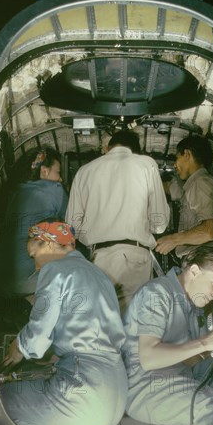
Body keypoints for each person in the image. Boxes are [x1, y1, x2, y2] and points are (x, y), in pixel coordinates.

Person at [1, 220, 128, 425]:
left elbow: (38, 336)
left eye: (34, 256)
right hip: (116, 396)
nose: (35, 266)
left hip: (84, 389)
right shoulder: (100, 276)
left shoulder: (55, 269)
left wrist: (18, 346)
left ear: (48, 245)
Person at [121, 246, 213, 425]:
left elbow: (192, 358)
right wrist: (204, 342)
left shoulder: (191, 305)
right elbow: (148, 358)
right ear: (194, 272)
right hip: (146, 386)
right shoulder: (157, 294)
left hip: (183, 375)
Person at [66, 130, 170, 313]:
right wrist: (145, 226)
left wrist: (95, 235)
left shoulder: (85, 171)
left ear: (108, 148)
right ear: (136, 151)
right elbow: (159, 223)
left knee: (102, 324)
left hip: (98, 259)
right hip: (135, 257)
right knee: (132, 326)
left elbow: (72, 227)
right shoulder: (146, 165)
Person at [0, 146, 68, 300]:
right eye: (58, 173)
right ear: (44, 171)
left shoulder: (13, 192)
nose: (61, 179)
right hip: (24, 278)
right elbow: (73, 228)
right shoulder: (55, 189)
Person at [155, 135, 213, 259]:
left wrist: (173, 240)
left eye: (176, 158)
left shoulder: (200, 184)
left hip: (201, 263)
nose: (174, 165)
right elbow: (169, 188)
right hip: (202, 262)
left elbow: (209, 231)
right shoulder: (196, 184)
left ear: (187, 154)